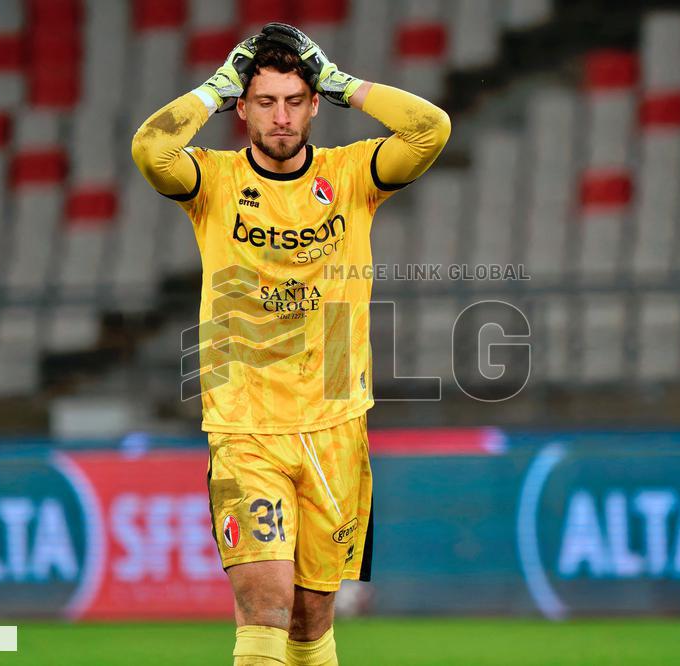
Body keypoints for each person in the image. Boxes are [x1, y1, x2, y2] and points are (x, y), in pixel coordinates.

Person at [131, 22, 450, 666]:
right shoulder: (214, 183)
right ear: (243, 109)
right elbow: (151, 149)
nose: (281, 117)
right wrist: (213, 89)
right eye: (266, 101)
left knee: (310, 620)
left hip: (336, 423)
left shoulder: (351, 174)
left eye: (296, 100)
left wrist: (343, 83)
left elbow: (430, 129)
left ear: (312, 107)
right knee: (266, 604)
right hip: (246, 426)